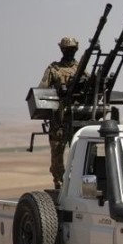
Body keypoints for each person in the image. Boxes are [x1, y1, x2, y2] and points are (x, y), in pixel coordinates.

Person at [39, 36, 81, 189]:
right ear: (61, 50)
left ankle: (79, 180)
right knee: (57, 152)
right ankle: (59, 181)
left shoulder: (80, 69)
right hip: (59, 118)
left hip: (77, 117)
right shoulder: (53, 69)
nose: (69, 52)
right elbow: (42, 90)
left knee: (81, 151)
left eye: (72, 49)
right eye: (66, 49)